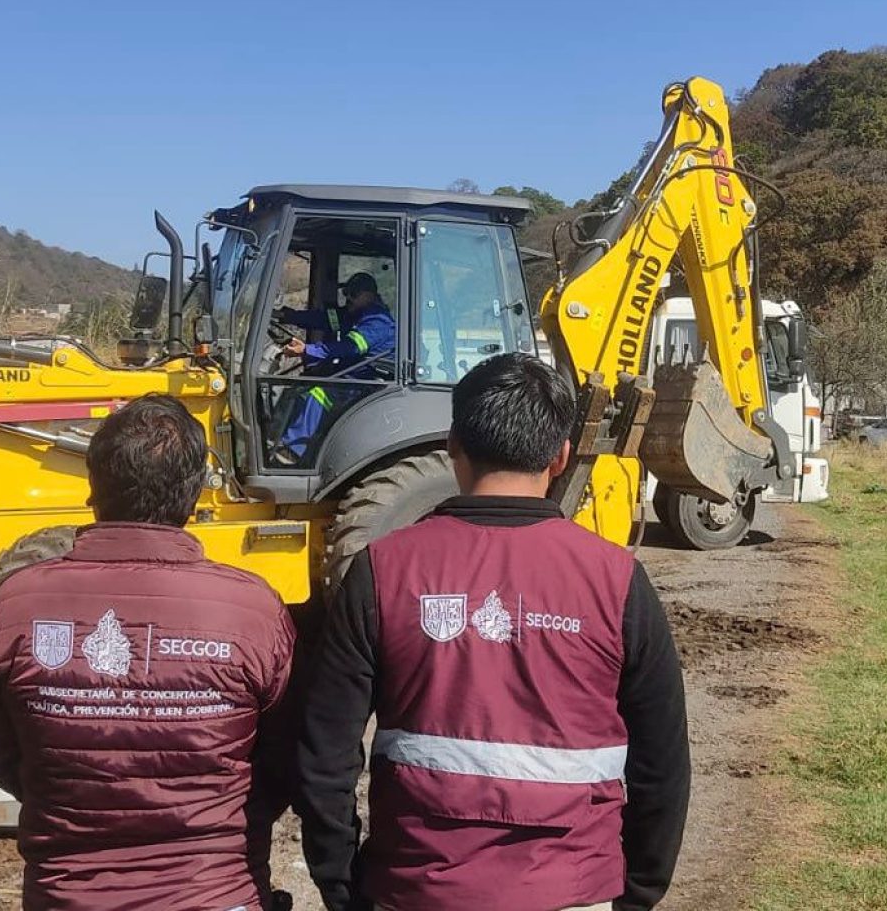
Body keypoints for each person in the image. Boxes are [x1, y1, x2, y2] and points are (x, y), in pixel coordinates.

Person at [295, 353, 690, 911]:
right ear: (561, 456)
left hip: (414, 889)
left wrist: (342, 884)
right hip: (574, 890)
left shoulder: (383, 570)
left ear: (453, 444)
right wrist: (637, 891)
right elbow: (663, 765)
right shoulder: (617, 580)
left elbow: (325, 754)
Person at [0, 394, 295, 911]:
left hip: (68, 893)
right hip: (213, 890)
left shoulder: (17, 603)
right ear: (194, 495)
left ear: (93, 487)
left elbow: (5, 758)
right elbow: (280, 762)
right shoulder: (254, 609)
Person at [274, 271, 395, 463]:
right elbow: (322, 319)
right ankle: (278, 440)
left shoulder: (378, 321)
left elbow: (349, 347)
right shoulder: (354, 315)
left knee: (318, 393)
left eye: (353, 294)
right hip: (352, 379)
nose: (348, 298)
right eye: (346, 292)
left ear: (369, 295)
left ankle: (293, 451)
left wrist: (307, 349)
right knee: (300, 388)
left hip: (368, 384)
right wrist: (287, 316)